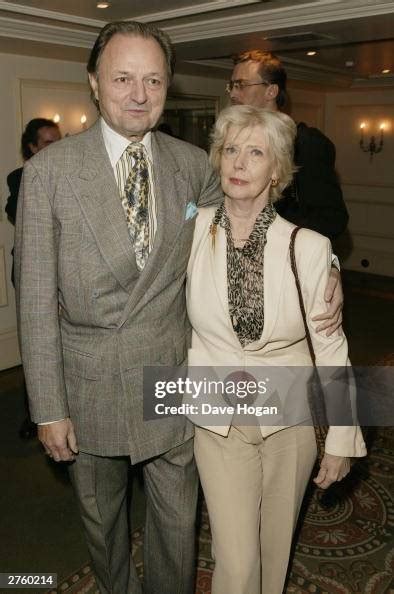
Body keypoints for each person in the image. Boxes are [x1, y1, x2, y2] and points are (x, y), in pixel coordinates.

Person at [14, 21, 222, 594]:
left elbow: (232, 241)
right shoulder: (48, 175)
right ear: (94, 83)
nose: (139, 94)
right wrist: (48, 407)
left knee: (178, 521)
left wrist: (312, 264)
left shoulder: (193, 165)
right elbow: (34, 299)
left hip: (170, 373)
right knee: (103, 521)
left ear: (168, 86)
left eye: (153, 80)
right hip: (89, 382)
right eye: (123, 78)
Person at [186, 104, 366, 594]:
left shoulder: (307, 246)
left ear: (276, 170)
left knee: (274, 552)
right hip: (216, 414)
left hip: (290, 417)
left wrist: (340, 439)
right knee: (238, 562)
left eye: (255, 152)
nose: (239, 163)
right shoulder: (191, 229)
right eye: (230, 150)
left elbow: (331, 345)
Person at [229, 50, 347, 334]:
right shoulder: (231, 143)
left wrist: (330, 266)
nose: (233, 94)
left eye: (241, 85)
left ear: (271, 91)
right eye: (231, 85)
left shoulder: (305, 144)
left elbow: (331, 220)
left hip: (290, 283)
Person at [5, 117, 61, 439]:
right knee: (36, 340)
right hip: (31, 272)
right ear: (33, 147)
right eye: (49, 143)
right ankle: (36, 412)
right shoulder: (19, 178)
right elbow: (15, 211)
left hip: (65, 272)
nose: (58, 148)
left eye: (59, 141)